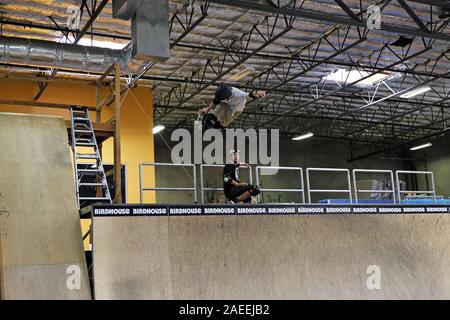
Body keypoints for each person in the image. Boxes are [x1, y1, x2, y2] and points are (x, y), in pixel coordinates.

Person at [201, 83, 266, 131]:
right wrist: (208, 109)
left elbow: (249, 95)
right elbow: (215, 102)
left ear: (228, 96)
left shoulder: (239, 94)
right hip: (225, 104)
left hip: (235, 110)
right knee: (211, 118)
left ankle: (218, 125)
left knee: (223, 124)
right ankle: (209, 119)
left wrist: (257, 92)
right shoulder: (223, 90)